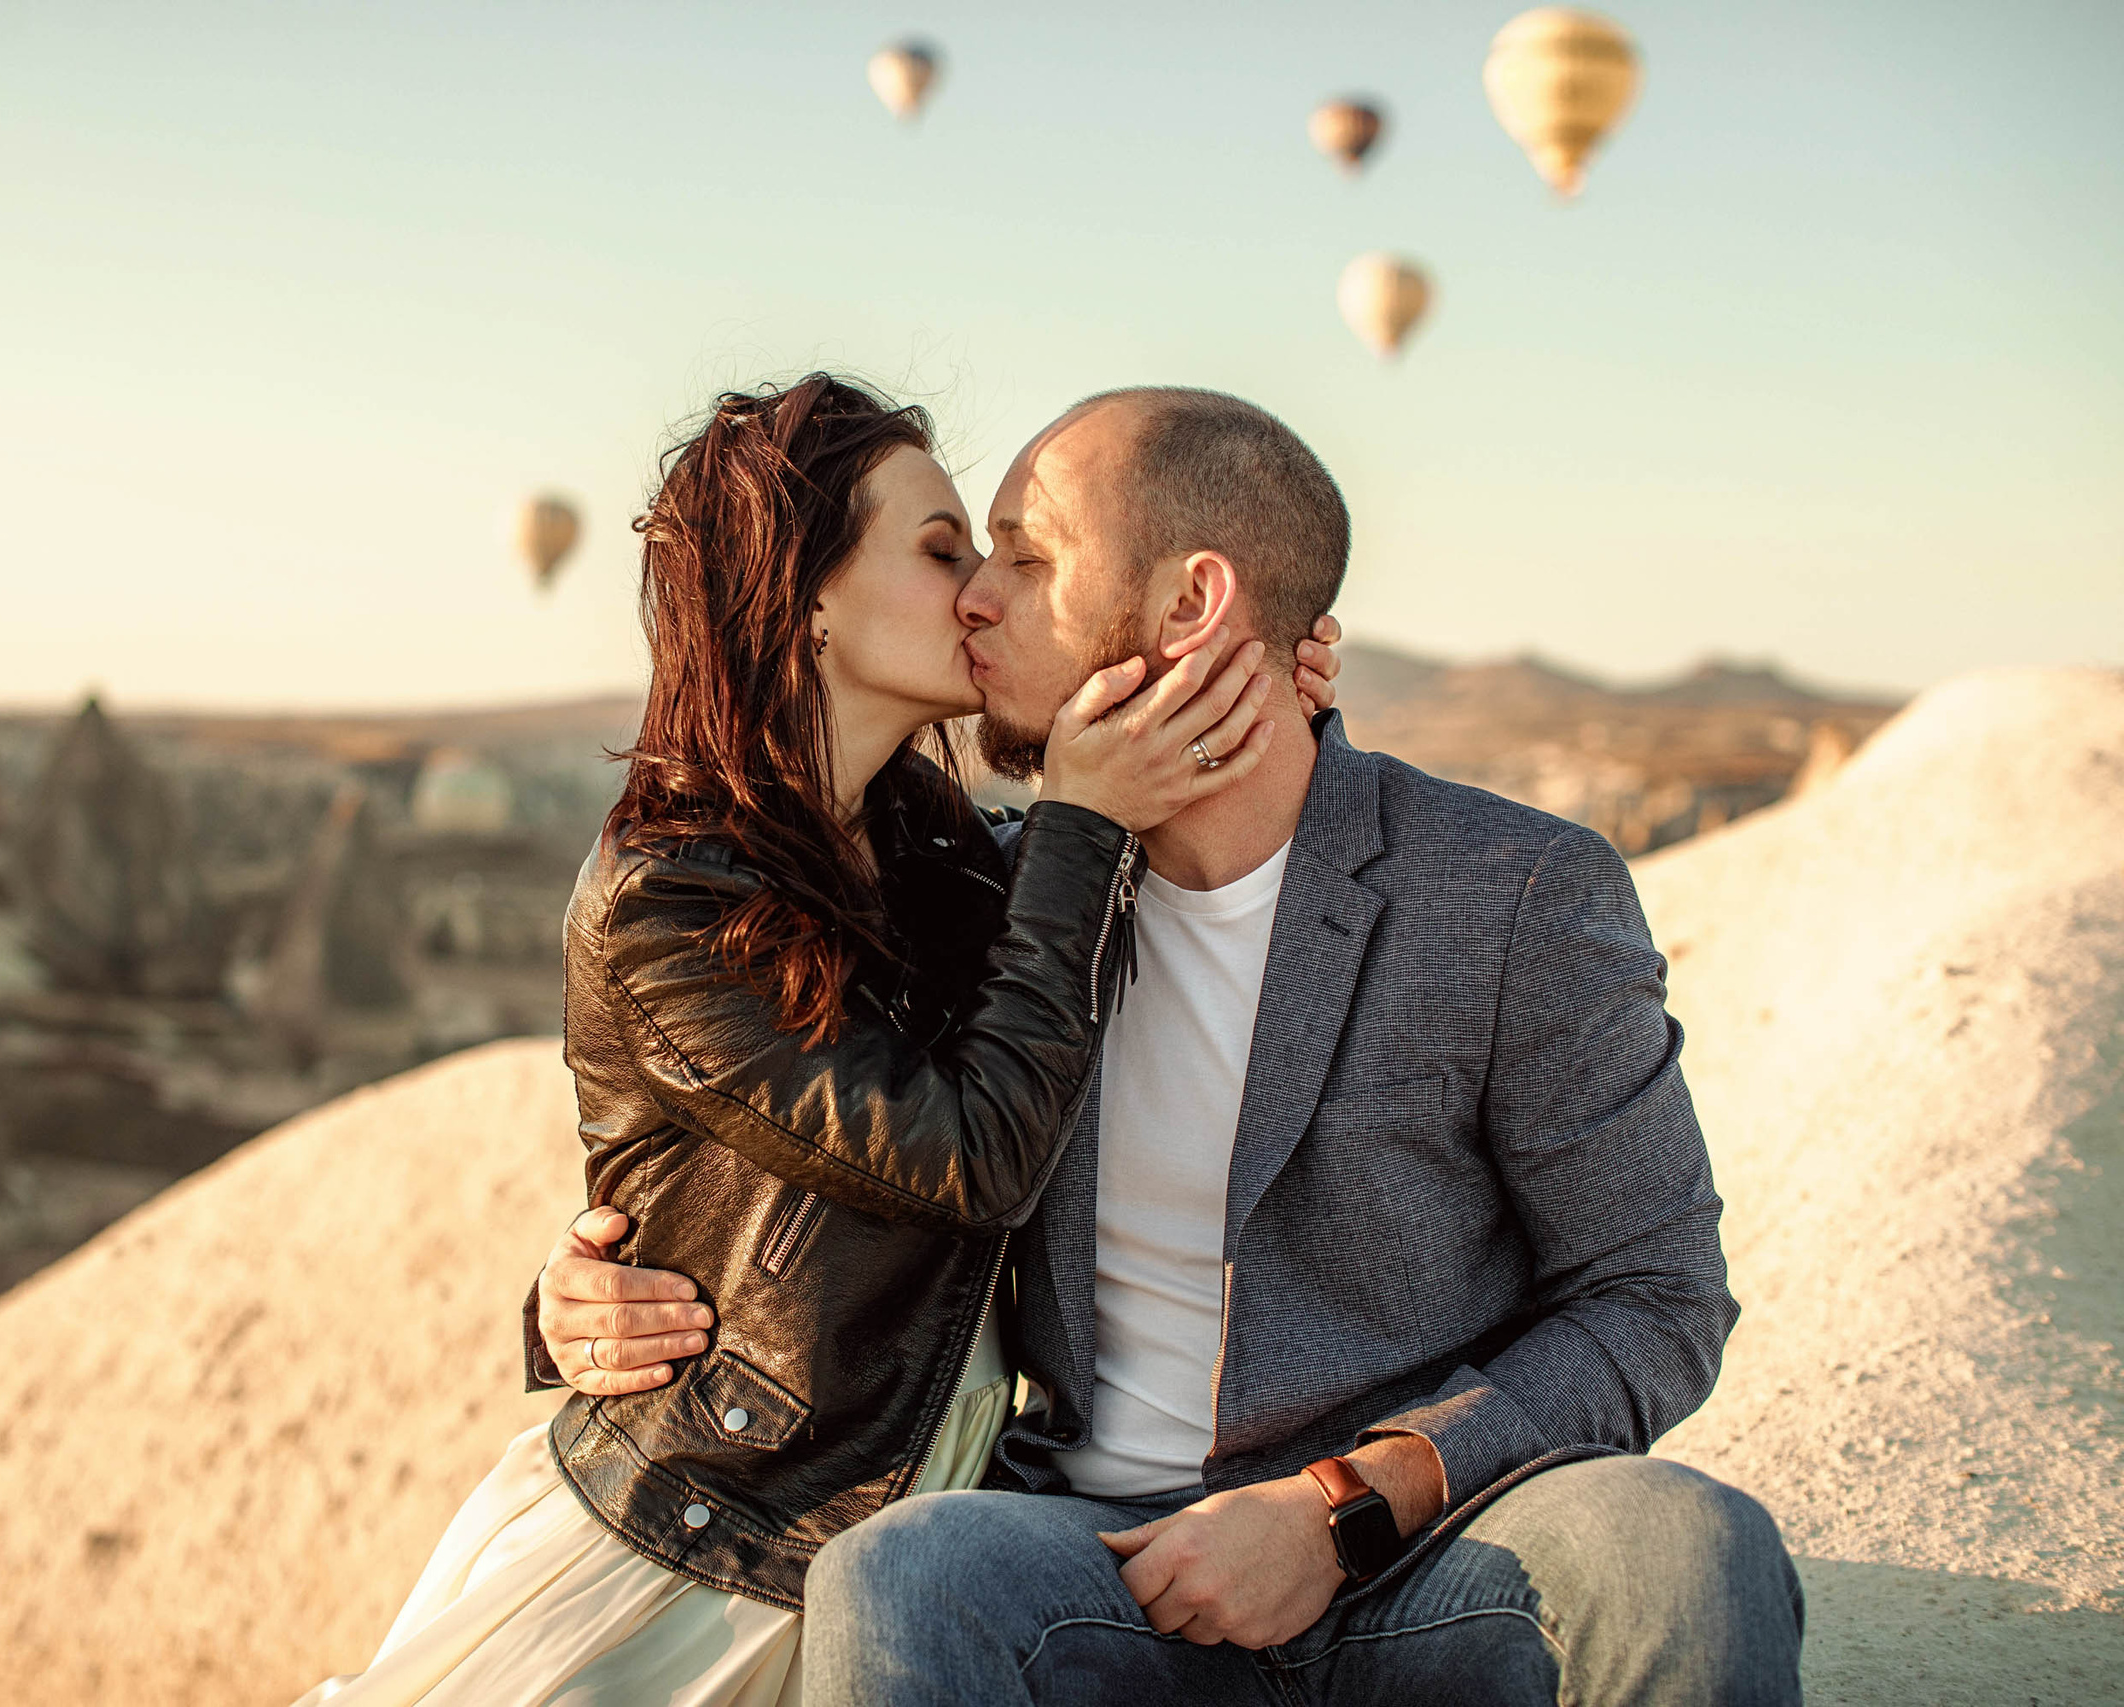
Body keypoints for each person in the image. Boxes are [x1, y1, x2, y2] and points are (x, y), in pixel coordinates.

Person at [535, 387, 1808, 1705]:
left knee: (1689, 1548)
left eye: (1027, 561)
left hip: (1432, 1552)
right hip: (1099, 1567)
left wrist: (1346, 1504)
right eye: (964, 558)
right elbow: (817, 1137)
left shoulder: (1508, 893)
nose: (978, 596)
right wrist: (580, 1298)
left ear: (1193, 607)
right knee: (898, 1574)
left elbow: (1655, 1299)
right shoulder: (1011, 904)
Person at [292, 374, 1345, 1707]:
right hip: (683, 1565)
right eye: (940, 550)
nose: (979, 594)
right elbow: (972, 1156)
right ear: (805, 597)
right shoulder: (668, 903)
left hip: (890, 1554)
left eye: (994, 556)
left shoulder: (938, 856)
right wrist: (555, 1314)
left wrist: (1251, 686)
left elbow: (1138, 882)